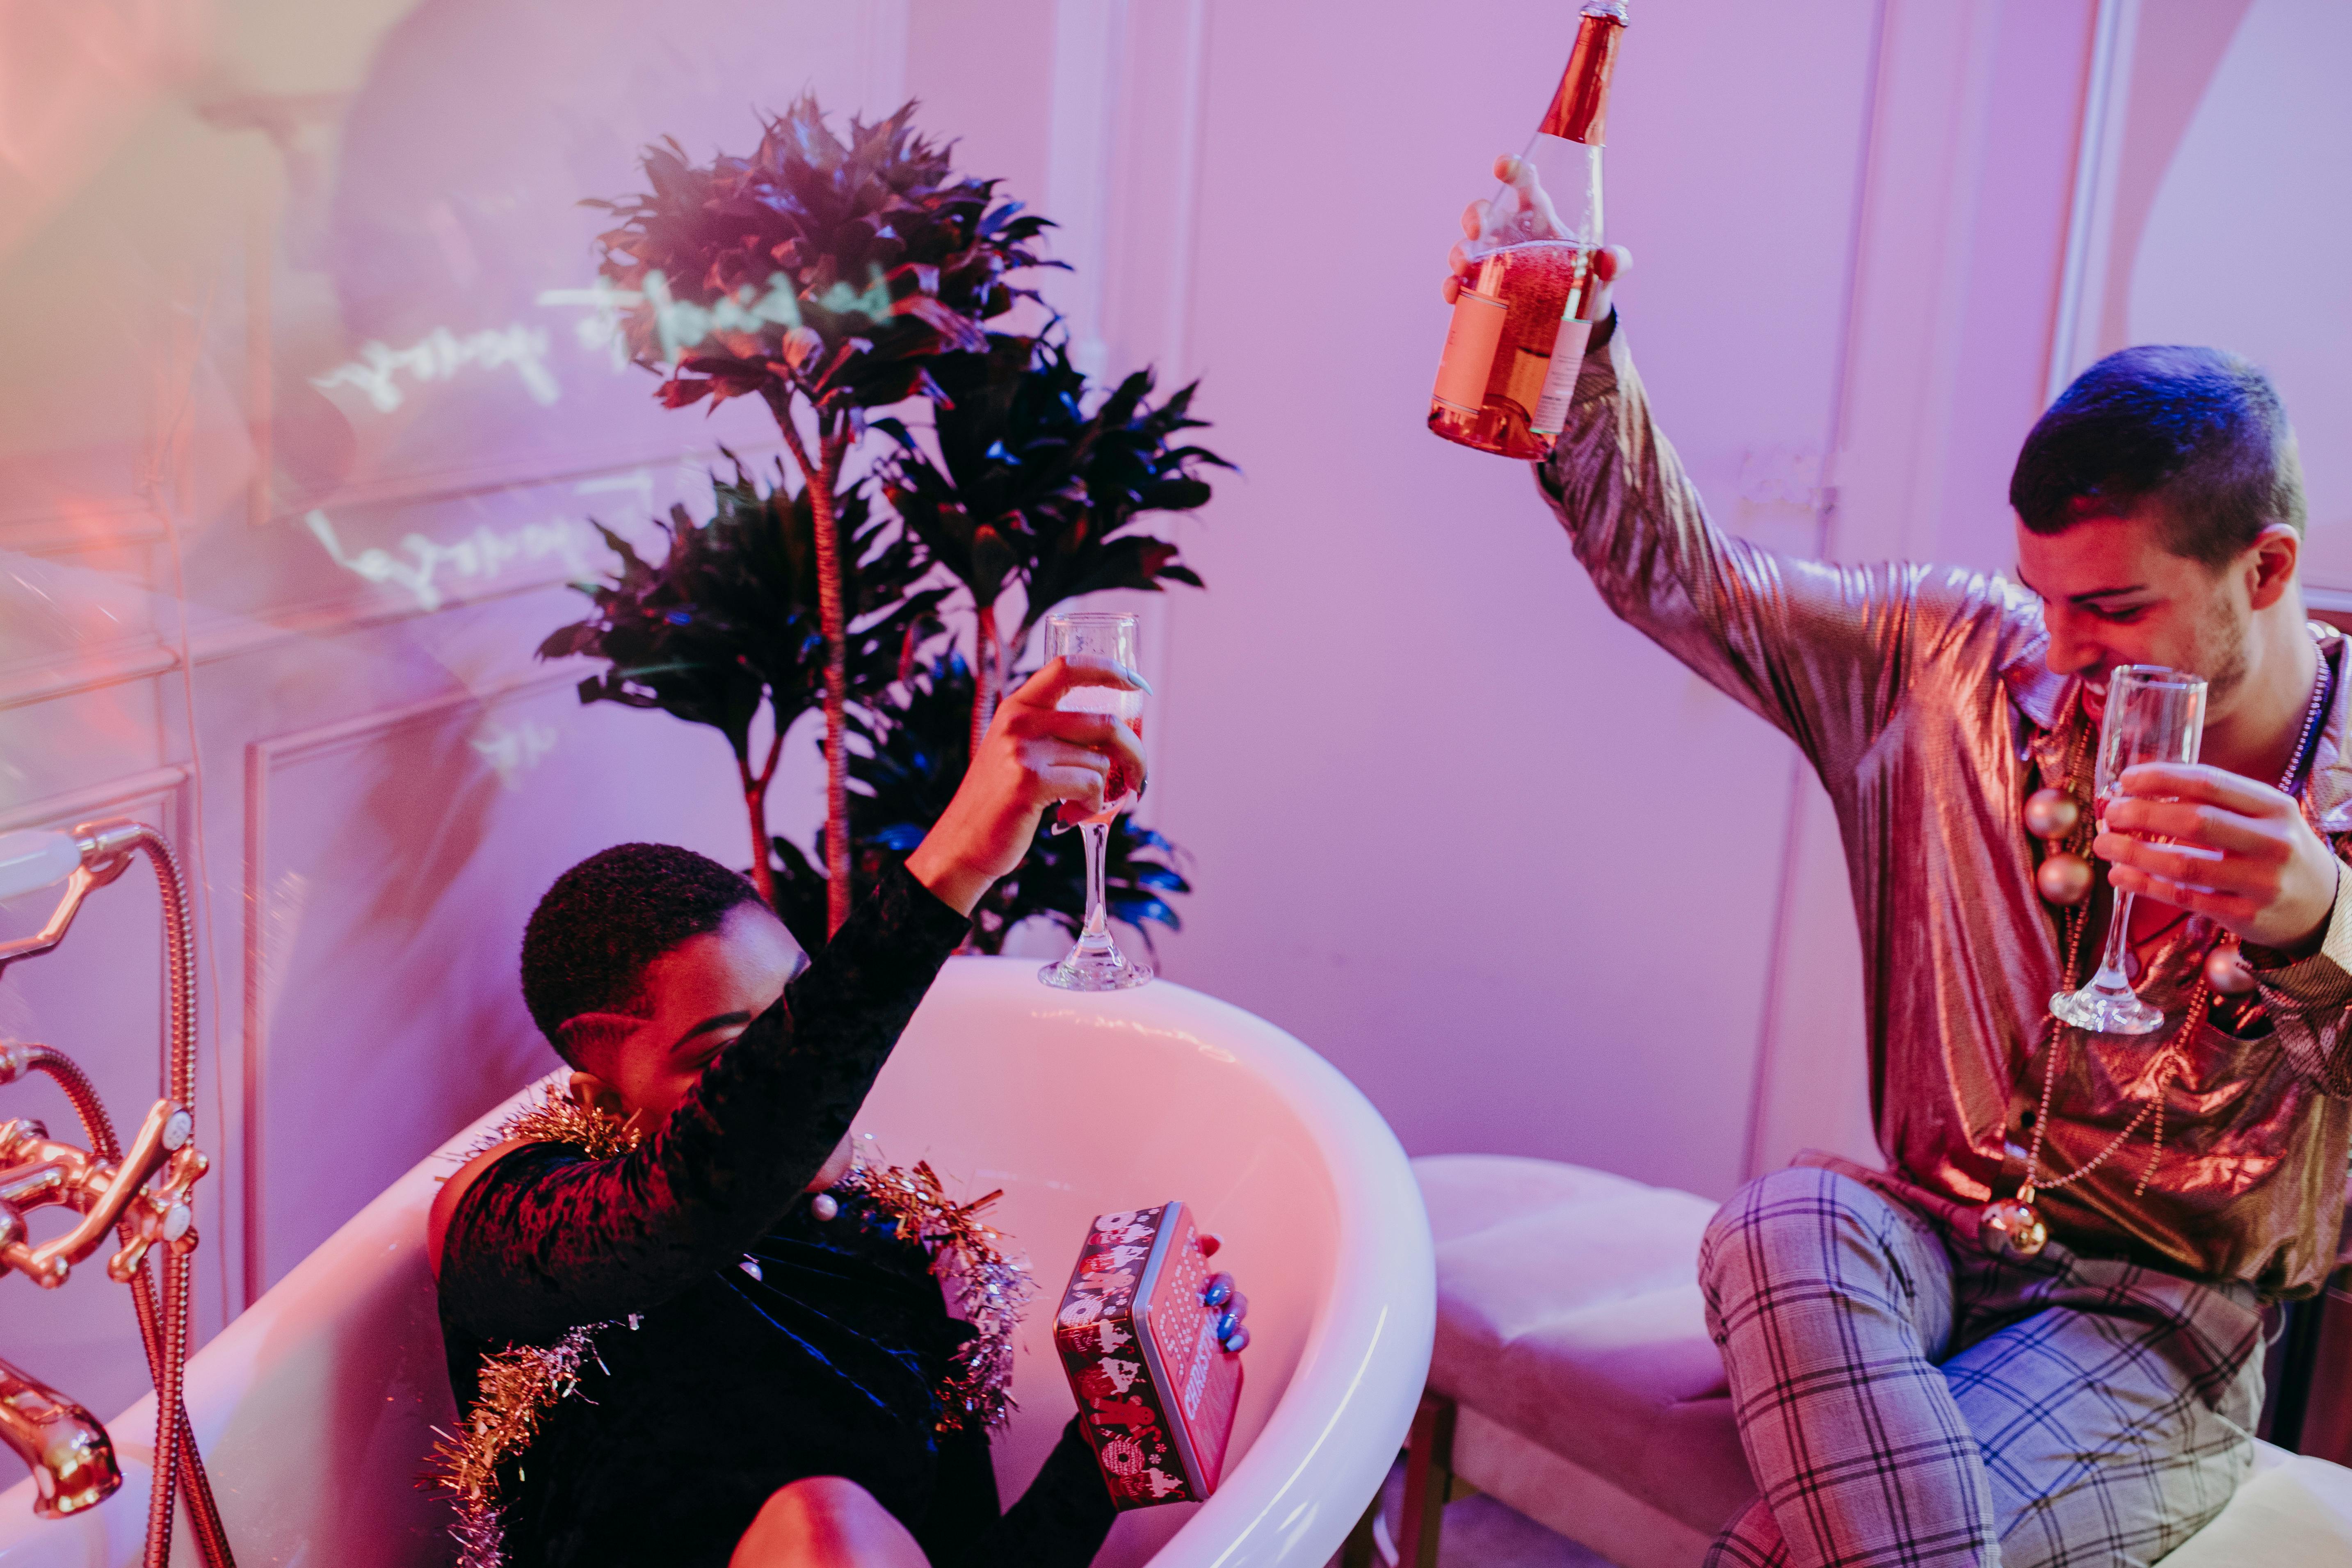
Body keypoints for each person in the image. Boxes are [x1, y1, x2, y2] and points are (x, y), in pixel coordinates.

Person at [1448, 157, 2351, 1566]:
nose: (2060, 650)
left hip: (2159, 1314)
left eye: (2113, 608)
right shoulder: (1949, 660)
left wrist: (2319, 927)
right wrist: (1572, 345)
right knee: (1776, 1214)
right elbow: (1688, 584)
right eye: (2044, 597)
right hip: (1916, 1230)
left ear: (2269, 566)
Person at [428, 655, 1237, 1568]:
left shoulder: (881, 1247)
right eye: (726, 1055)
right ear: (596, 1081)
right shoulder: (507, 1216)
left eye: (800, 1014)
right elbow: (698, 1192)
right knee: (822, 1526)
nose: (800, 1063)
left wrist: (1111, 1433)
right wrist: (954, 864)